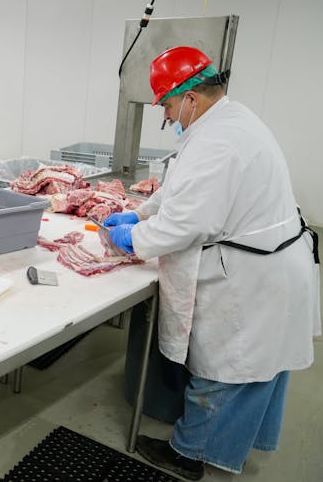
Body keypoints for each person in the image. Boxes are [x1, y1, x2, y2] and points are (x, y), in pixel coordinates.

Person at [104, 46, 320, 480]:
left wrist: (132, 238)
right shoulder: (227, 123)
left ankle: (188, 455)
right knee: (255, 372)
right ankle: (224, 444)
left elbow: (189, 221)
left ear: (189, 98)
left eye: (166, 105)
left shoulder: (220, 139)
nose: (167, 116)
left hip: (252, 277)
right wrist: (142, 211)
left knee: (223, 370)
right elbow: (184, 188)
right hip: (274, 268)